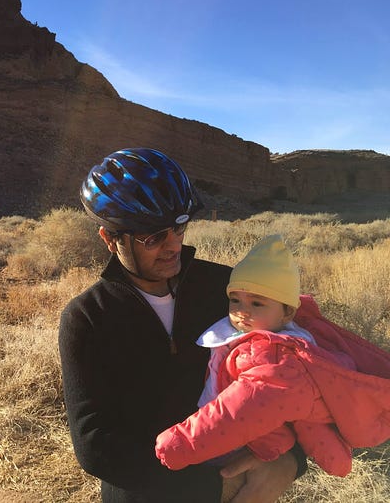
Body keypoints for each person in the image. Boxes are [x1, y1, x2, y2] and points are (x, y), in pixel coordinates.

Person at [59, 148, 305, 503]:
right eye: (152, 237)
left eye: (179, 227)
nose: (173, 245)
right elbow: (95, 443)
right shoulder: (87, 317)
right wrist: (207, 489)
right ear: (110, 239)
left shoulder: (227, 289)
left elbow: (303, 371)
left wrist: (291, 462)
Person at [155, 235, 390, 477]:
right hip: (249, 437)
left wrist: (180, 443)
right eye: (235, 300)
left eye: (257, 303)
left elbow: (242, 409)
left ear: (287, 312)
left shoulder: (270, 357)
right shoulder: (261, 337)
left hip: (234, 443)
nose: (241, 311)